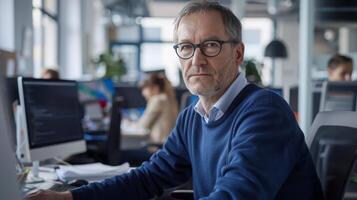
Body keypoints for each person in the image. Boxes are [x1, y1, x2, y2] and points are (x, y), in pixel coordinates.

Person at [27, 1, 323, 199]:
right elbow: (150, 177)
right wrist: (69, 197)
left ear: (238, 53)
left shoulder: (264, 111)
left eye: (210, 45)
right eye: (185, 46)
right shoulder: (193, 117)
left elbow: (235, 195)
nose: (197, 59)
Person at [120, 73, 179, 165]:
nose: (143, 93)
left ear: (155, 88)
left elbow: (142, 126)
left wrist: (126, 123)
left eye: (144, 89)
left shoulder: (157, 100)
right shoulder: (169, 99)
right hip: (167, 148)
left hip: (157, 149)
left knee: (122, 154)